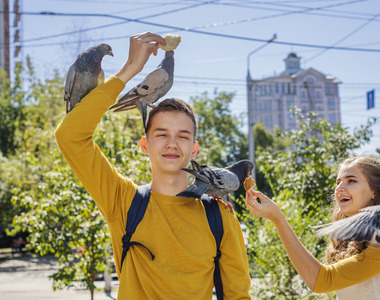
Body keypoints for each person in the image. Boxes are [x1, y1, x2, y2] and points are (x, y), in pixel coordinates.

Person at [55, 32, 251, 299]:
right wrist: (129, 69)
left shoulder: (220, 216)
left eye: (182, 136)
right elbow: (70, 136)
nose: (172, 143)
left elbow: (237, 296)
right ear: (145, 145)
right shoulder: (122, 200)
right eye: (161, 135)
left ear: (194, 150)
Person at [246, 156, 380, 299]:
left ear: (375, 191)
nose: (339, 188)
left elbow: (322, 280)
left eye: (351, 181)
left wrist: (278, 218)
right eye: (338, 182)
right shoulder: (353, 236)